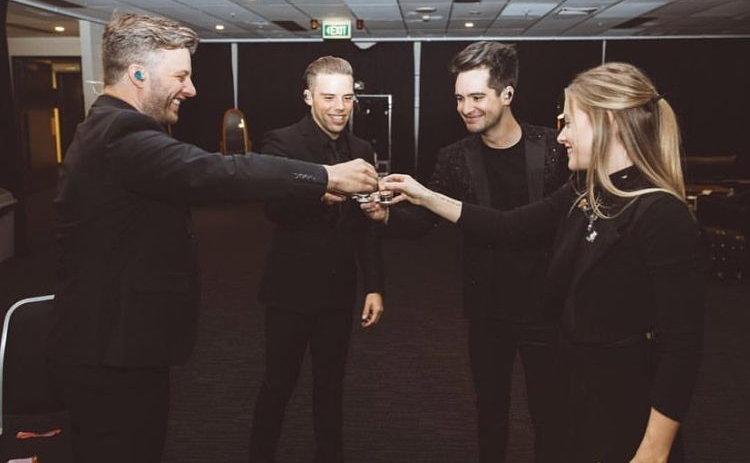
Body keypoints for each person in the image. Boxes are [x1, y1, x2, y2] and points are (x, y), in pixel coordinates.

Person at [47, 14, 377, 463]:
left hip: (116, 340)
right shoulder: (120, 132)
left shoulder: (107, 128)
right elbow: (217, 171)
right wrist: (324, 175)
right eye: (180, 76)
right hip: (108, 349)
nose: (191, 89)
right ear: (138, 75)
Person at [382, 62, 704, 463]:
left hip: (622, 409)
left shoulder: (660, 213)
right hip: (576, 396)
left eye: (569, 123)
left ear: (609, 124)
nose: (562, 136)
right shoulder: (584, 191)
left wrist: (654, 451)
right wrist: (424, 195)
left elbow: (682, 347)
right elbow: (508, 226)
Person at [362, 41, 568, 462]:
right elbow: (423, 222)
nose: (466, 108)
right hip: (487, 308)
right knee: (490, 410)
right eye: (459, 98)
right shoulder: (454, 157)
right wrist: (385, 218)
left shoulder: (554, 148)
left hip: (546, 307)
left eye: (476, 97)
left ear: (507, 94)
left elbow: (538, 224)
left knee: (550, 413)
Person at [248, 56, 384, 463]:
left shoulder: (361, 150)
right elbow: (273, 208)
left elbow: (366, 226)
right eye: (329, 98)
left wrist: (374, 286)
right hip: (289, 292)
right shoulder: (282, 143)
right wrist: (318, 190)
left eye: (347, 98)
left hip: (338, 293)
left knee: (330, 386)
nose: (340, 107)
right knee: (278, 384)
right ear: (308, 97)